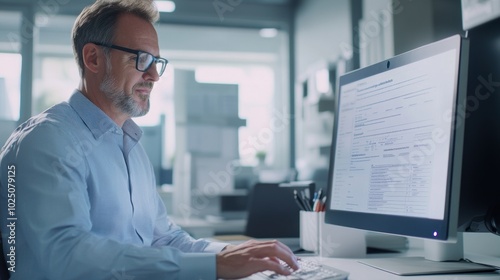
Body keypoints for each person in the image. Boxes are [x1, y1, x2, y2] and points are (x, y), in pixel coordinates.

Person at [0, 0, 299, 279]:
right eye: (142, 59)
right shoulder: (47, 141)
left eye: (156, 61)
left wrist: (232, 254)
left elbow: (162, 237)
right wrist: (213, 265)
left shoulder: (130, 144)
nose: (155, 75)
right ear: (93, 58)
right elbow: (66, 255)